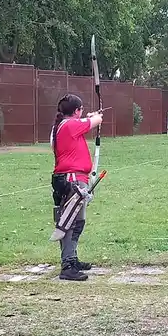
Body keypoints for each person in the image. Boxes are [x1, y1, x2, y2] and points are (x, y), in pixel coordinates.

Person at [50, 94, 103, 281]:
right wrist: (95, 116)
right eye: (80, 109)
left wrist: (87, 117)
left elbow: (84, 123)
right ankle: (67, 265)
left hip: (73, 179)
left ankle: (72, 258)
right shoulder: (69, 125)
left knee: (77, 222)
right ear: (76, 110)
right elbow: (94, 121)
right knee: (69, 223)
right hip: (72, 180)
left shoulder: (62, 126)